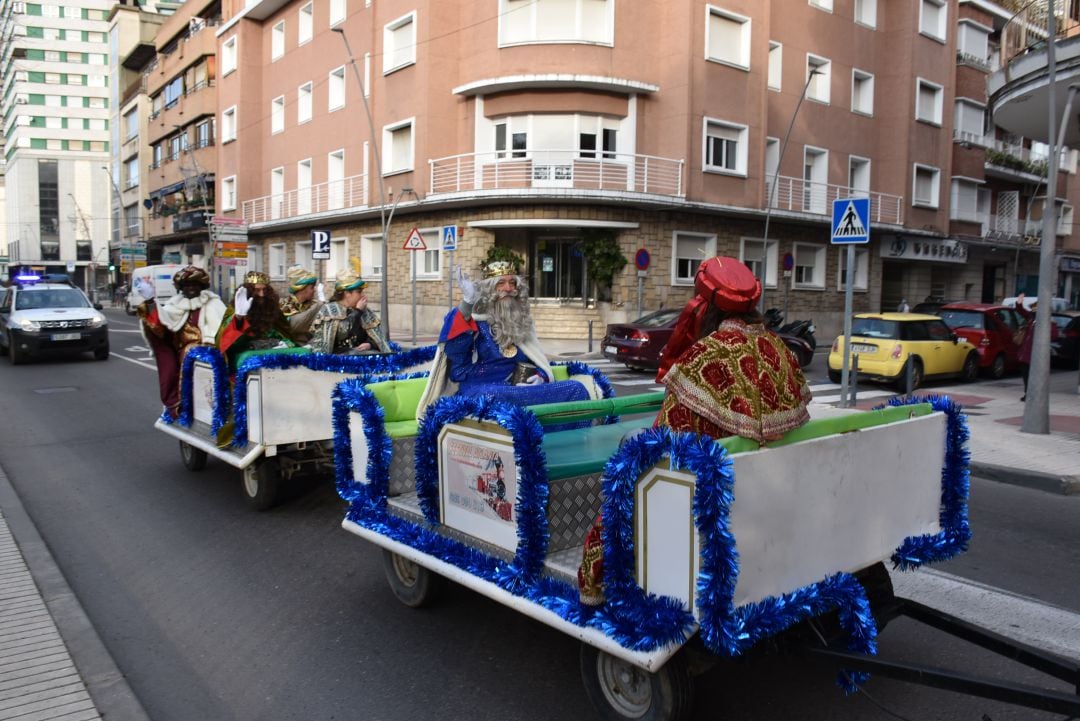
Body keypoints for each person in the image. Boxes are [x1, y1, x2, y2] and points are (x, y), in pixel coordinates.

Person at [577, 256, 812, 606]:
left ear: (705, 305)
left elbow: (663, 442)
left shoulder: (705, 357)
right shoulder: (781, 350)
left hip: (705, 499)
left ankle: (594, 583)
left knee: (629, 472)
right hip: (771, 492)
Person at [416, 260, 600, 417]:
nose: (509, 289)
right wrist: (467, 304)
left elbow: (535, 360)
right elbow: (457, 367)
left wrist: (540, 376)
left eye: (512, 283)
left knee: (576, 390)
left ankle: (559, 447)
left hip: (518, 389)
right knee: (492, 396)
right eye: (501, 284)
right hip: (480, 389)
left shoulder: (522, 321)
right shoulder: (473, 321)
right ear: (489, 290)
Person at [135, 266, 227, 419]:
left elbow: (225, 330)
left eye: (194, 285)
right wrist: (151, 302)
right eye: (186, 286)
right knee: (186, 369)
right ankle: (185, 408)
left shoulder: (214, 304)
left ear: (201, 286)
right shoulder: (174, 306)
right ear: (181, 289)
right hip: (186, 354)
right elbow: (160, 328)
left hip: (212, 353)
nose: (190, 288)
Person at [216, 270, 296, 370]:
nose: (262, 295)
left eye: (265, 290)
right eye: (257, 290)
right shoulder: (236, 310)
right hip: (245, 361)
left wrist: (285, 343)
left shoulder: (272, 310)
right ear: (249, 292)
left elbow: (283, 333)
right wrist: (239, 318)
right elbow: (228, 344)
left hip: (273, 358)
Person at [308, 268, 391, 354]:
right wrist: (358, 312)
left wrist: (370, 344)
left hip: (361, 356)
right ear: (347, 293)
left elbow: (378, 338)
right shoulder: (328, 310)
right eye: (359, 292)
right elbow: (343, 332)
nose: (362, 295)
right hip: (337, 358)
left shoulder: (365, 311)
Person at [279, 265, 325, 344]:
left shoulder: (312, 304)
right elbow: (293, 327)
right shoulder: (284, 304)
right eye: (312, 287)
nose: (314, 290)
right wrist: (319, 305)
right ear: (302, 288)